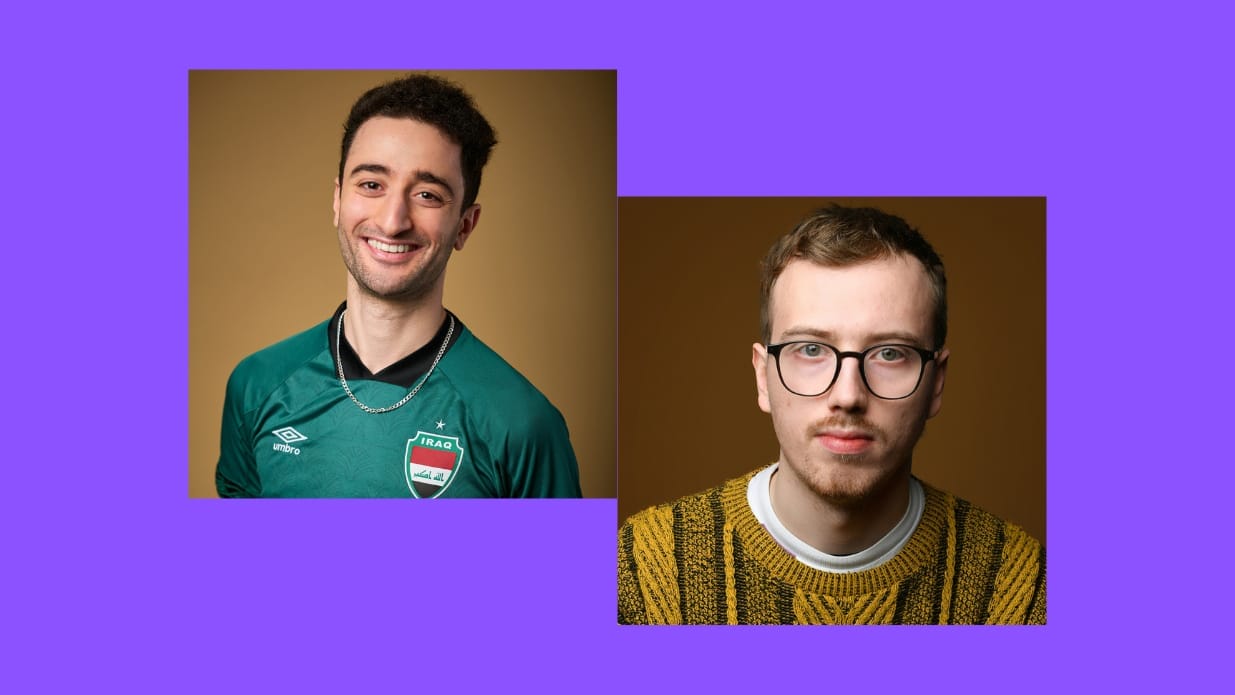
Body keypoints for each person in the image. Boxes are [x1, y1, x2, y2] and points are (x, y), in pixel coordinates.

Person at [617, 205, 1045, 624]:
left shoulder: (1023, 592)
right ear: (763, 377)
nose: (847, 395)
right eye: (810, 349)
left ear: (936, 383)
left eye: (890, 353)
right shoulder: (640, 573)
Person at [216, 74, 582, 498]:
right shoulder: (257, 385)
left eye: (427, 195)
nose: (393, 221)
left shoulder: (521, 425)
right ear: (338, 200)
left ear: (465, 224)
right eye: (371, 185)